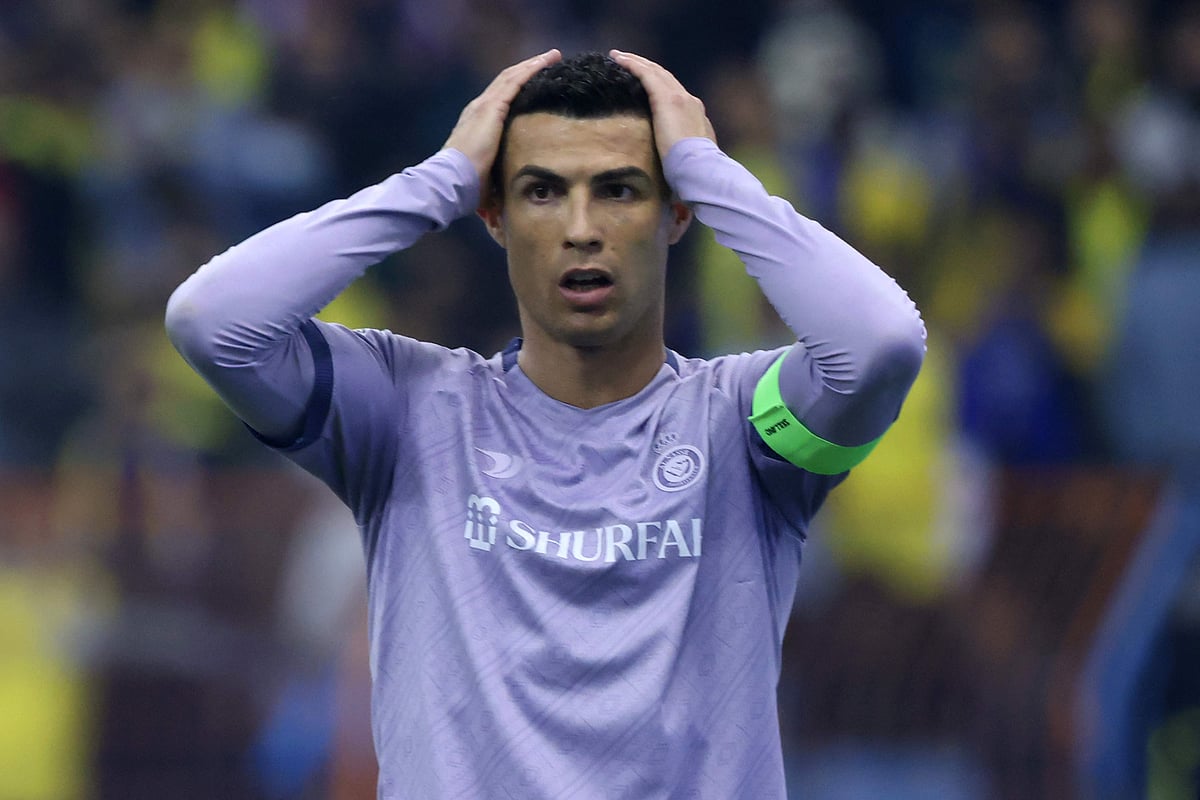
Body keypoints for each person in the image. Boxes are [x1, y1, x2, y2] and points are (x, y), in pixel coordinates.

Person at [165, 49, 925, 799]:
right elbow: (214, 322)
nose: (581, 227)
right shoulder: (406, 412)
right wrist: (439, 181)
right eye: (542, 192)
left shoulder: (746, 425)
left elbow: (880, 344)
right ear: (492, 215)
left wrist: (713, 173)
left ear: (677, 213)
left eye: (621, 190)